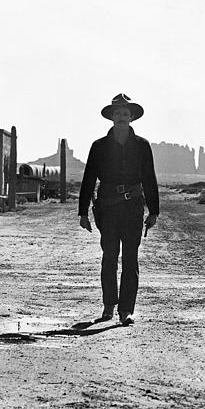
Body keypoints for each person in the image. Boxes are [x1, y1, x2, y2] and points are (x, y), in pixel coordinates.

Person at [78, 94, 159, 326]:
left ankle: (126, 310)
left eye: (125, 113)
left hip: (133, 208)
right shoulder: (99, 146)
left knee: (131, 259)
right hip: (108, 208)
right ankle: (108, 306)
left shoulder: (142, 145)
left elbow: (149, 178)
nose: (122, 117)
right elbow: (88, 179)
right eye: (118, 113)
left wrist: (154, 211)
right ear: (111, 117)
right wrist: (83, 212)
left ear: (131, 117)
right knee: (109, 258)